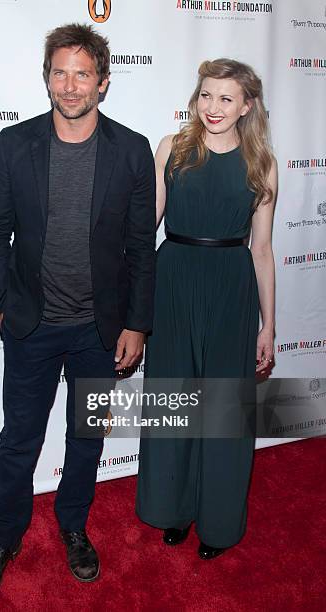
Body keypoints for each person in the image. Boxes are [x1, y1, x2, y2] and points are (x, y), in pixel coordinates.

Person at [0, 23, 155, 592]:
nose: (70, 86)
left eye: (83, 73)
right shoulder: (14, 144)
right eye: (60, 72)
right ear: (46, 77)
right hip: (31, 326)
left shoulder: (131, 150)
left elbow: (141, 246)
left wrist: (137, 324)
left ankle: (73, 527)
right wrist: (0, 304)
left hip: (100, 332)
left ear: (103, 82)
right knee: (20, 439)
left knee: (87, 438)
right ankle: (5, 536)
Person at [136, 59, 277, 559]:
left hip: (230, 285)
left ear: (246, 105)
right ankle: (173, 509)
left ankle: (218, 522)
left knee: (221, 409)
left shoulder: (261, 163)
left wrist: (269, 326)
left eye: (225, 98)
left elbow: (261, 250)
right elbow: (147, 224)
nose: (213, 107)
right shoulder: (172, 149)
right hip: (173, 277)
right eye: (206, 96)